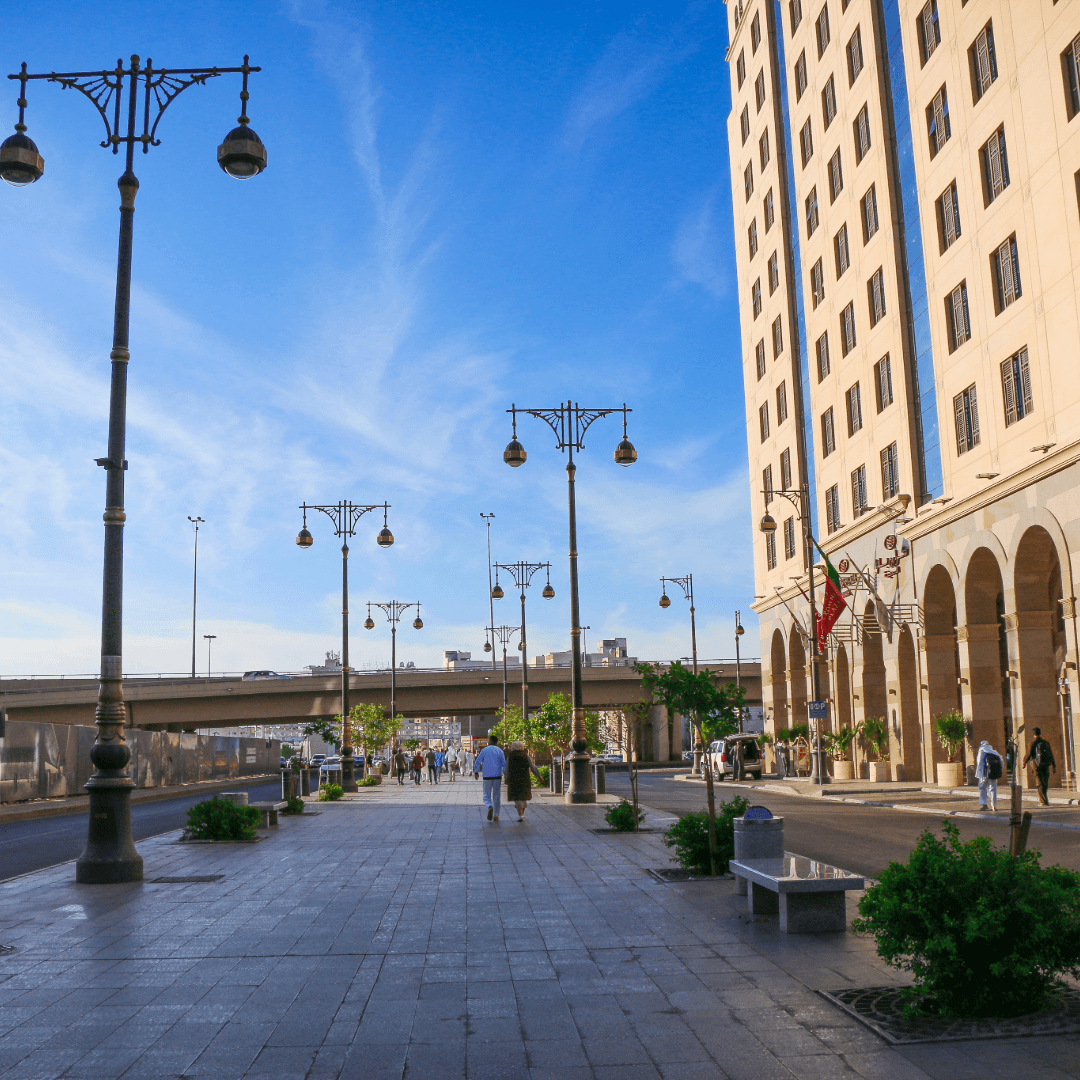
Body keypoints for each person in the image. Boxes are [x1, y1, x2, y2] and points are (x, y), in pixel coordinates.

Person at [505, 741, 542, 822]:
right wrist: (539, 776)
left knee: (517, 797)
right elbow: (532, 767)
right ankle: (521, 813)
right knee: (523, 797)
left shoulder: (510, 756)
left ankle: (520, 814)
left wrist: (506, 777)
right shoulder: (525, 755)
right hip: (524, 779)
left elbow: (507, 768)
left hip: (513, 779)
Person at [473, 733, 506, 821]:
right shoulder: (500, 751)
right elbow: (504, 764)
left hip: (487, 776)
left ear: (490, 741)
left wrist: (476, 772)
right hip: (497, 776)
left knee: (486, 795)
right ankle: (496, 815)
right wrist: (506, 776)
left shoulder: (484, 750)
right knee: (497, 796)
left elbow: (477, 761)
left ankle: (489, 805)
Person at [1023, 728, 1056, 805]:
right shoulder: (1046, 743)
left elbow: (1028, 754)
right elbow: (1051, 755)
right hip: (1046, 765)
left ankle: (1043, 801)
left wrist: (1024, 762)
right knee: (1045, 783)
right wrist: (1054, 766)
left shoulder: (1032, 743)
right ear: (1040, 733)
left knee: (1039, 783)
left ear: (1033, 734)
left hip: (1036, 766)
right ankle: (1044, 799)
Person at [975, 739, 1004, 810]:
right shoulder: (994, 752)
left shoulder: (981, 751)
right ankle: (994, 805)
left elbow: (979, 762)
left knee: (982, 788)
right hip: (993, 773)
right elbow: (1001, 761)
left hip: (984, 773)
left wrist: (979, 773)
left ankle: (984, 804)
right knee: (993, 788)